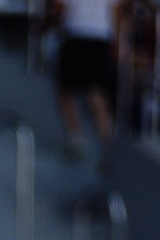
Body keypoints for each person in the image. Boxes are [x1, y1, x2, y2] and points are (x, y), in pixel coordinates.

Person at [52, 0, 121, 157]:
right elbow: (116, 10)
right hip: (101, 34)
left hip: (76, 31)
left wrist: (54, 25)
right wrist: (116, 38)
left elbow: (60, 6)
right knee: (95, 89)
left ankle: (75, 135)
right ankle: (106, 136)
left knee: (66, 89)